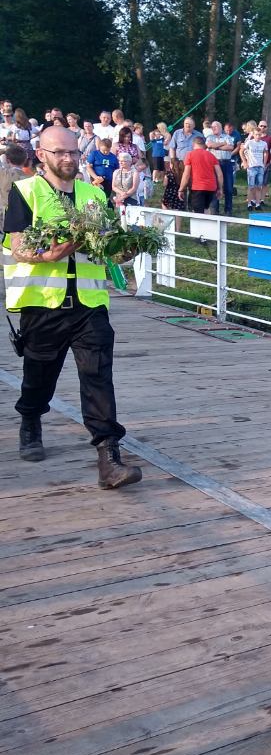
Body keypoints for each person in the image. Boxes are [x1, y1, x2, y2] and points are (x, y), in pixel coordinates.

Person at [2, 125, 142, 487]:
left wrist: (130, 249)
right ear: (42, 155)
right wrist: (63, 246)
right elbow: (20, 249)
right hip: (42, 304)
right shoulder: (25, 191)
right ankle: (31, 421)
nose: (68, 159)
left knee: (98, 377)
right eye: (59, 152)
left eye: (73, 153)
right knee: (38, 377)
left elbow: (111, 250)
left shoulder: (93, 195)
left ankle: (109, 456)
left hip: (89, 304)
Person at [178, 133, 222, 213]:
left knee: (197, 213)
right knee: (206, 208)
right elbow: (219, 174)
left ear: (193, 144)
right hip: (211, 187)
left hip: (197, 187)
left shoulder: (190, 155)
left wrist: (181, 189)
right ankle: (208, 225)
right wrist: (220, 188)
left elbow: (186, 174)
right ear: (204, 144)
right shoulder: (211, 155)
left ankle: (199, 225)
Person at [207, 120, 236, 215]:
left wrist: (216, 147)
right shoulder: (209, 137)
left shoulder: (227, 137)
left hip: (226, 163)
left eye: (215, 126)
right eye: (212, 127)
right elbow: (209, 145)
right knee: (215, 187)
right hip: (214, 164)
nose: (213, 128)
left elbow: (231, 147)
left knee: (228, 187)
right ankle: (215, 210)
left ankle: (228, 210)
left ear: (220, 127)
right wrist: (222, 144)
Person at [242, 122, 269, 210]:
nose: (258, 136)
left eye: (259, 134)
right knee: (251, 186)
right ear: (253, 134)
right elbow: (241, 151)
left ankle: (257, 204)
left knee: (259, 187)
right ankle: (249, 203)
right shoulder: (249, 142)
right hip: (251, 167)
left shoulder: (264, 143)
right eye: (256, 134)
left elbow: (266, 152)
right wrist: (245, 162)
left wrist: (264, 164)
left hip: (260, 167)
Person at [168, 117, 197, 190]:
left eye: (190, 124)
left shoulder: (199, 135)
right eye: (186, 123)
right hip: (179, 163)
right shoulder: (177, 133)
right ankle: (182, 200)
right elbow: (172, 147)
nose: (188, 125)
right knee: (180, 185)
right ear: (183, 124)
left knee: (192, 186)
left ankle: (191, 201)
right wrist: (172, 160)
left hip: (193, 164)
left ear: (194, 125)